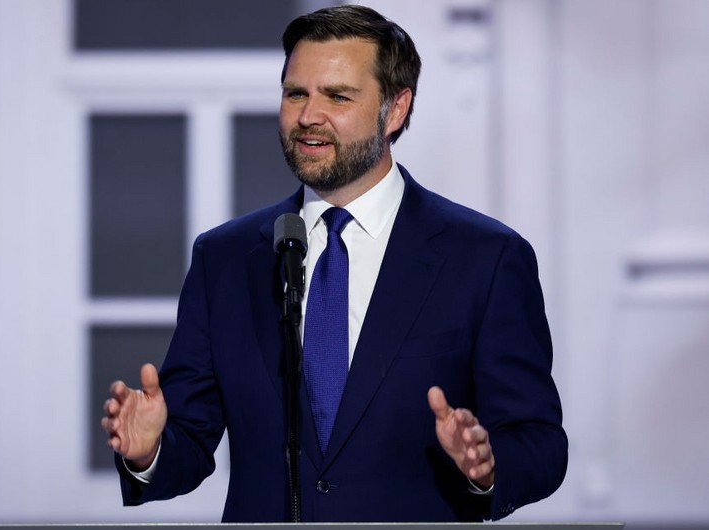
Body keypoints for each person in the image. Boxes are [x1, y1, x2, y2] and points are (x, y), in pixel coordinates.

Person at [102, 5, 567, 522]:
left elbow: (540, 443)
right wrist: (148, 451)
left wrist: (487, 465)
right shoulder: (226, 258)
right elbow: (189, 438)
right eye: (295, 94)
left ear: (395, 109)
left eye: (338, 96)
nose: (308, 116)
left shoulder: (486, 258)